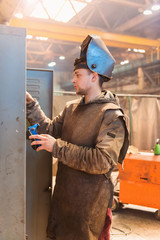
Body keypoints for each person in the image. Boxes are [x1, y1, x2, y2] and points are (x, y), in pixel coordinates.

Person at [26, 34, 129, 240]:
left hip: (90, 210)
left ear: (94, 76)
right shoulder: (71, 108)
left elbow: (102, 161)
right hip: (65, 201)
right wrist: (30, 104)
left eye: (77, 75)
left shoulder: (111, 116)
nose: (73, 79)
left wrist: (58, 148)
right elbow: (50, 130)